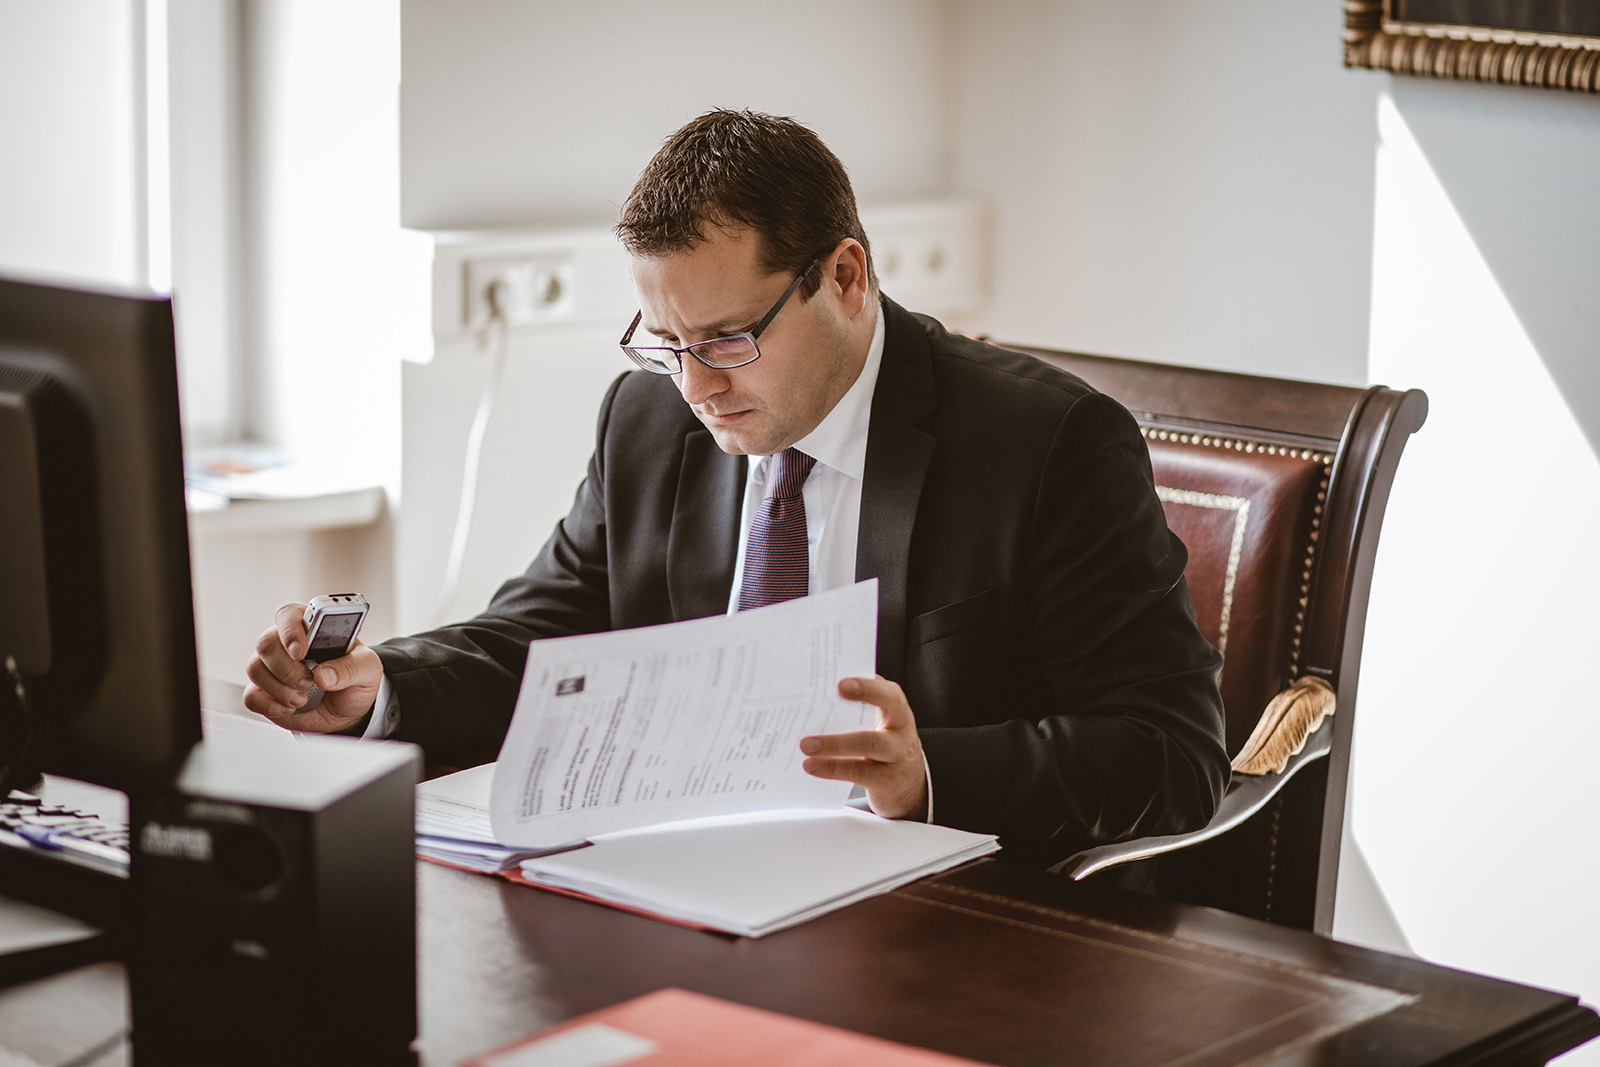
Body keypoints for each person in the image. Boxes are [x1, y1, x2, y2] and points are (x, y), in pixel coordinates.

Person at [245, 109, 1228, 867]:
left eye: (727, 337)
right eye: (664, 343)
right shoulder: (648, 419)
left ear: (846, 277)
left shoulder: (1047, 445)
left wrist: (933, 768)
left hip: (948, 922)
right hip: (681, 881)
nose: (696, 385)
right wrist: (382, 686)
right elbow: (546, 635)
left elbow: (1171, 753)